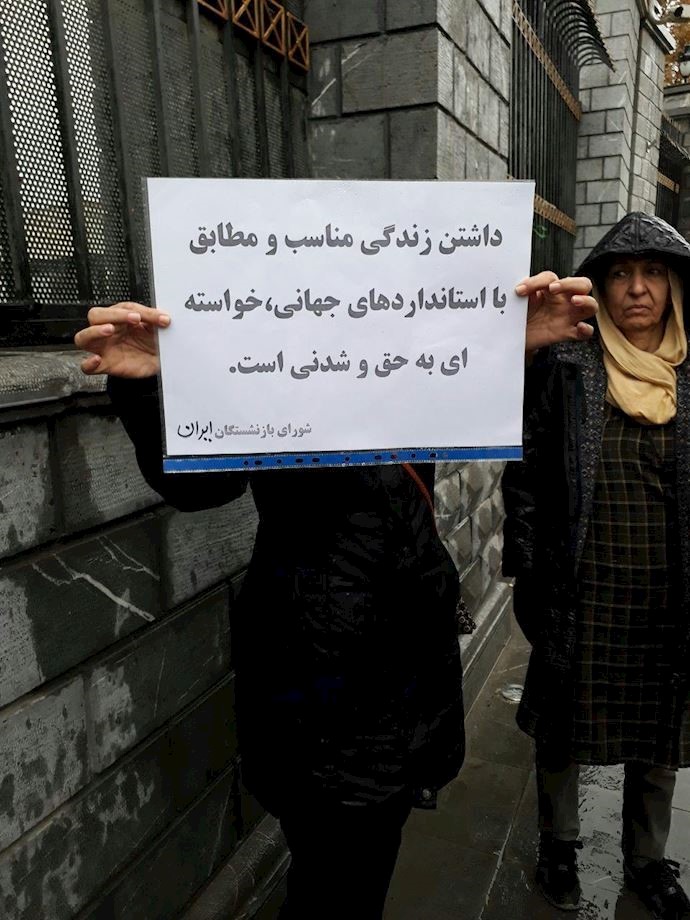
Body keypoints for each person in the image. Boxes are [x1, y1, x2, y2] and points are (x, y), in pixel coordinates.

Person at [75, 271, 596, 920]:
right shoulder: (270, 381)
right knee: (334, 885)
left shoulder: (404, 379)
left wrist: (509, 345)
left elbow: (471, 401)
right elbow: (203, 486)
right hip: (317, 692)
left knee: (361, 874)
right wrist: (151, 385)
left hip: (404, 678)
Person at [502, 213, 690, 920]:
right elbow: (522, 467)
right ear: (602, 288)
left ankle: (647, 857)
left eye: (653, 275)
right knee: (562, 723)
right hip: (580, 585)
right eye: (620, 275)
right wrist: (525, 568)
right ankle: (560, 843)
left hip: (667, 592)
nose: (637, 290)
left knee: (659, 725)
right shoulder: (569, 368)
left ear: (673, 288)